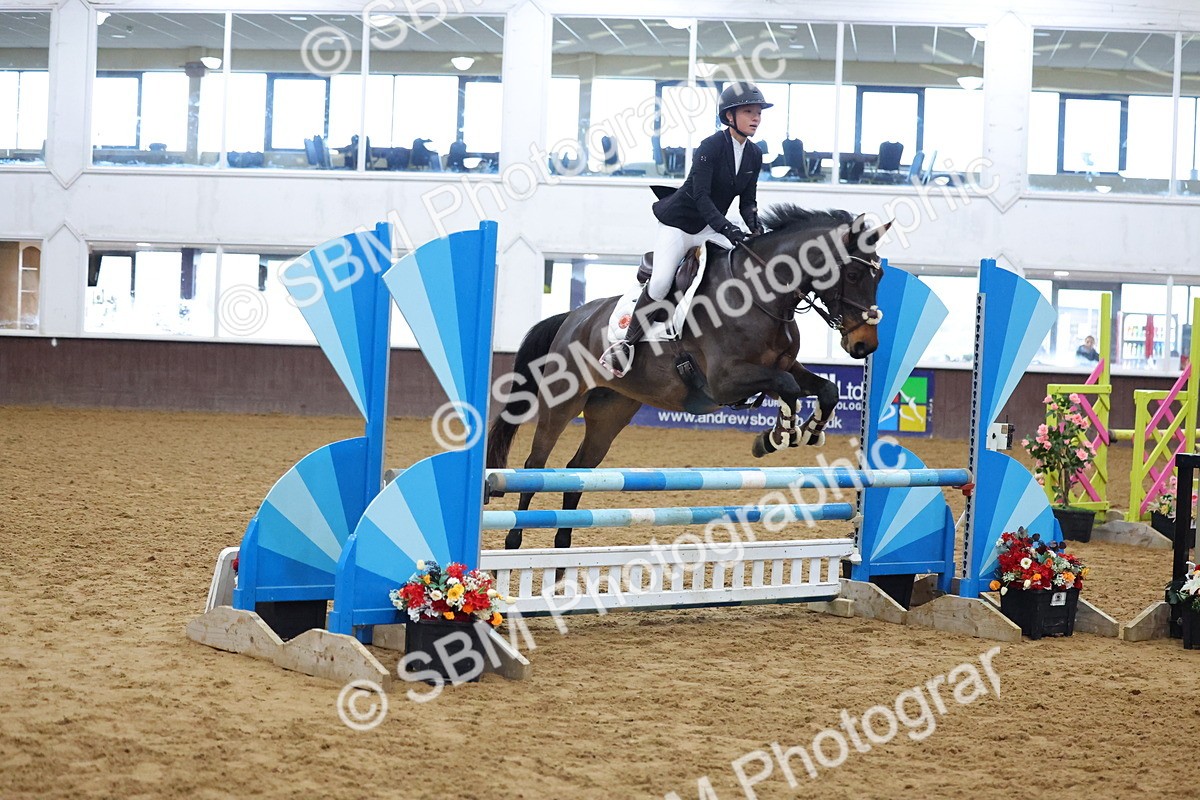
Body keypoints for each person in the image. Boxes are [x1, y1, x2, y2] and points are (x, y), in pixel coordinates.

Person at [600, 82, 771, 376]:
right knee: (661, 282)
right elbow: (700, 196)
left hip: (710, 226)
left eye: (758, 113)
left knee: (745, 267)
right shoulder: (710, 147)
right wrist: (727, 228)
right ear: (730, 116)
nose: (756, 117)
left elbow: (748, 202)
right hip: (679, 224)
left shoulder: (754, 155)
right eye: (748, 112)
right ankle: (625, 344)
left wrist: (756, 228)